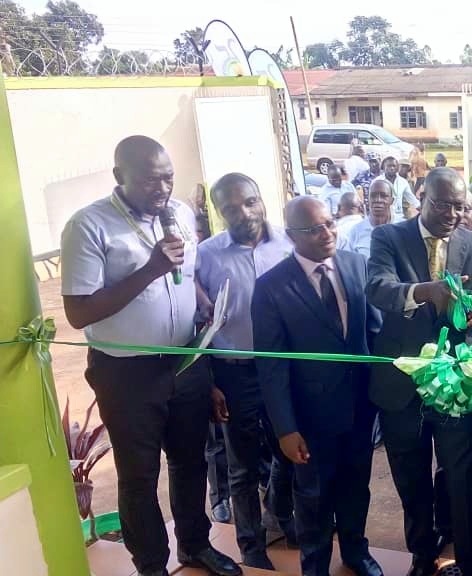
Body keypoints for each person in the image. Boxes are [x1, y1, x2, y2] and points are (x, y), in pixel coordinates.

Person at [61, 136, 240, 576]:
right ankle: (151, 565)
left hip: (185, 361)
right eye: (148, 180)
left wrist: (201, 302)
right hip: (127, 373)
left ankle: (194, 545)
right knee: (139, 476)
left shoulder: (180, 212)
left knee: (190, 461)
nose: (161, 189)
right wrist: (151, 270)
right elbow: (78, 312)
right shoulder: (89, 225)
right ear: (119, 176)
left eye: (168, 178)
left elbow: (186, 273)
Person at [366, 167, 472, 576]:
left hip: (455, 385)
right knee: (411, 478)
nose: (452, 215)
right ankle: (422, 557)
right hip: (401, 386)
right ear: (422, 197)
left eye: (460, 206)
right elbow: (378, 288)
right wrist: (426, 291)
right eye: (443, 205)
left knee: (463, 478)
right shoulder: (389, 237)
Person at [252, 196, 383, 576]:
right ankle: (315, 566)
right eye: (314, 229)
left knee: (356, 487)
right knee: (314, 497)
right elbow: (271, 366)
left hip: (359, 408)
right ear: (292, 235)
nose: (327, 233)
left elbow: (373, 332)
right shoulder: (271, 287)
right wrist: (285, 429)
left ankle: (356, 552)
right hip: (310, 417)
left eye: (330, 223)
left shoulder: (355, 264)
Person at [195, 173, 297, 570]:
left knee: (290, 449)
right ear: (219, 213)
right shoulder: (206, 255)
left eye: (250, 202)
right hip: (233, 372)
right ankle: (251, 545)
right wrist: (210, 382)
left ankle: (280, 513)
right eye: (231, 208)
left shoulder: (289, 243)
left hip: (283, 368)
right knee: (241, 465)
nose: (244, 213)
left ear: (261, 199)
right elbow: (197, 321)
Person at [348, 180, 393, 258]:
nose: (378, 200)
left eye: (383, 196)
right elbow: (351, 262)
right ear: (368, 199)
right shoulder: (356, 231)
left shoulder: (400, 229)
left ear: (392, 200)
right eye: (373, 196)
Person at [376, 156, 419, 223]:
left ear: (397, 168)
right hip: (382, 218)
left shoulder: (403, 182)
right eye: (389, 166)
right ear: (383, 167)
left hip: (398, 218)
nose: (392, 168)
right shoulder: (377, 181)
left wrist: (423, 209)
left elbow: (411, 198)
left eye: (394, 166)